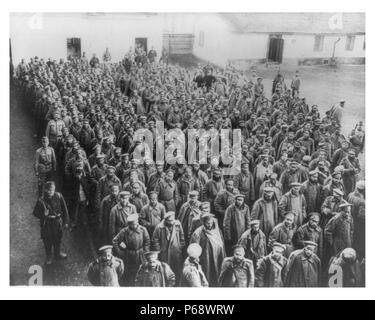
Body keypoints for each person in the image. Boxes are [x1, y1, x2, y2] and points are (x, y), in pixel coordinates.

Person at [32, 181, 69, 265]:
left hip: (57, 222)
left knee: (58, 238)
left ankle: (57, 253)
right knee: (47, 240)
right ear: (46, 190)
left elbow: (64, 209)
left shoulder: (59, 196)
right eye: (49, 190)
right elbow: (35, 213)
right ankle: (49, 257)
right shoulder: (41, 200)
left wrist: (66, 221)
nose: (51, 192)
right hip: (47, 224)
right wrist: (43, 215)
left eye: (52, 190)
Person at [112, 214, 150, 285]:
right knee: (129, 275)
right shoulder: (124, 231)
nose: (134, 226)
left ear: (137, 222)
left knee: (141, 272)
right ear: (129, 224)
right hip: (129, 256)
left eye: (135, 224)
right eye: (132, 225)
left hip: (140, 255)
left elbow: (147, 241)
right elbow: (115, 241)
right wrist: (120, 252)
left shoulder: (143, 230)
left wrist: (145, 251)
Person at [190, 212, 226, 287]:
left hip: (218, 255)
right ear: (203, 223)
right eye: (207, 223)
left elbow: (222, 243)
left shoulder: (217, 230)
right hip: (207, 257)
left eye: (210, 223)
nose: (209, 225)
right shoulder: (198, 232)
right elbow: (194, 247)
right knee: (208, 273)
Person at [152, 211, 185, 280]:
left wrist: (180, 246)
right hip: (164, 253)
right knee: (166, 271)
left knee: (177, 269)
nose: (172, 222)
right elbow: (155, 240)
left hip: (176, 252)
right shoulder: (159, 227)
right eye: (169, 221)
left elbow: (182, 236)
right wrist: (159, 250)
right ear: (166, 220)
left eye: (173, 220)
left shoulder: (177, 224)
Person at [347, 180, 365, 259]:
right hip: (358, 223)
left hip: (350, 219)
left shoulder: (350, 195)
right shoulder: (362, 201)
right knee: (359, 240)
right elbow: (362, 216)